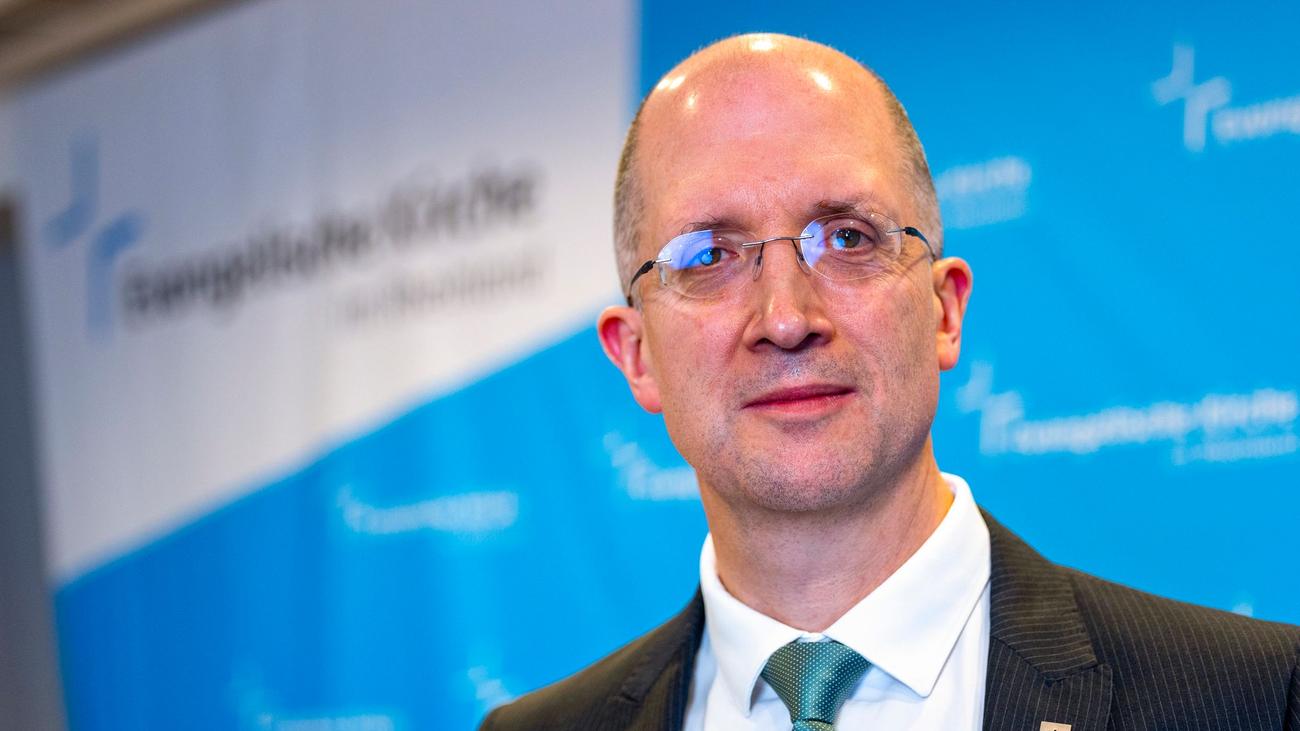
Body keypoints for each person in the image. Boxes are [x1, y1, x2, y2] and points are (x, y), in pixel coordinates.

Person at [481, 33, 1300, 731]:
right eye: (709, 256)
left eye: (847, 237)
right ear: (636, 356)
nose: (786, 317)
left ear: (944, 310)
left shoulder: (1256, 699)